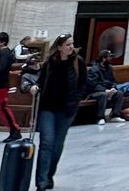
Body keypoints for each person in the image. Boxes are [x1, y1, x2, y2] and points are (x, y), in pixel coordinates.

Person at [29, 34, 87, 191]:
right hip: (47, 108)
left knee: (57, 145)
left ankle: (48, 175)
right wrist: (35, 87)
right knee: (46, 143)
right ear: (59, 47)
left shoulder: (77, 62)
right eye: (68, 44)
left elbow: (83, 83)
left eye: (72, 44)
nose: (71, 47)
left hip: (66, 109)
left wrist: (76, 99)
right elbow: (41, 81)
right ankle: (41, 181)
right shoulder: (49, 63)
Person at [85, 49, 126, 124]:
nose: (111, 59)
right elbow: (93, 84)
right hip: (94, 93)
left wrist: (113, 88)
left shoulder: (109, 68)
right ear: (103, 58)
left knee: (119, 93)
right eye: (109, 57)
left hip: (108, 90)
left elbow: (113, 80)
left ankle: (115, 115)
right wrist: (105, 90)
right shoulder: (94, 69)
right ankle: (100, 117)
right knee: (103, 95)